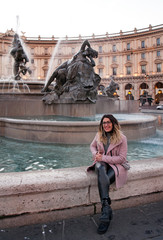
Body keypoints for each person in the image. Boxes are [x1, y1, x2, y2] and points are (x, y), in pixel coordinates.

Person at [87, 114, 129, 234]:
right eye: (104, 123)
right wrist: (96, 155)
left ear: (114, 124)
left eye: (108, 122)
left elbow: (121, 158)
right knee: (100, 167)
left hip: (116, 165)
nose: (106, 125)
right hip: (102, 164)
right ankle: (106, 210)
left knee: (102, 176)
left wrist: (103, 157)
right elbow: (92, 146)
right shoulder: (99, 135)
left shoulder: (122, 138)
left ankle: (105, 209)